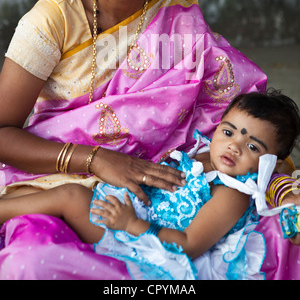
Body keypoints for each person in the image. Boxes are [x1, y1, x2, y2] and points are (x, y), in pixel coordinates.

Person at [0, 0, 298, 280]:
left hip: (159, 198)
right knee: (31, 263)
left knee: (282, 237)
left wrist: (276, 174)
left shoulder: (181, 28)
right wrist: (96, 159)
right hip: (53, 186)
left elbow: (248, 123)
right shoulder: (52, 21)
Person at [0, 90, 298, 280]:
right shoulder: (206, 153)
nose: (234, 147)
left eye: (253, 148)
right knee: (71, 194)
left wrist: (131, 224)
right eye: (230, 131)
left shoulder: (233, 194)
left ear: (272, 162)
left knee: (71, 196)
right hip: (138, 214)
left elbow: (189, 245)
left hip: (151, 247)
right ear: (219, 125)